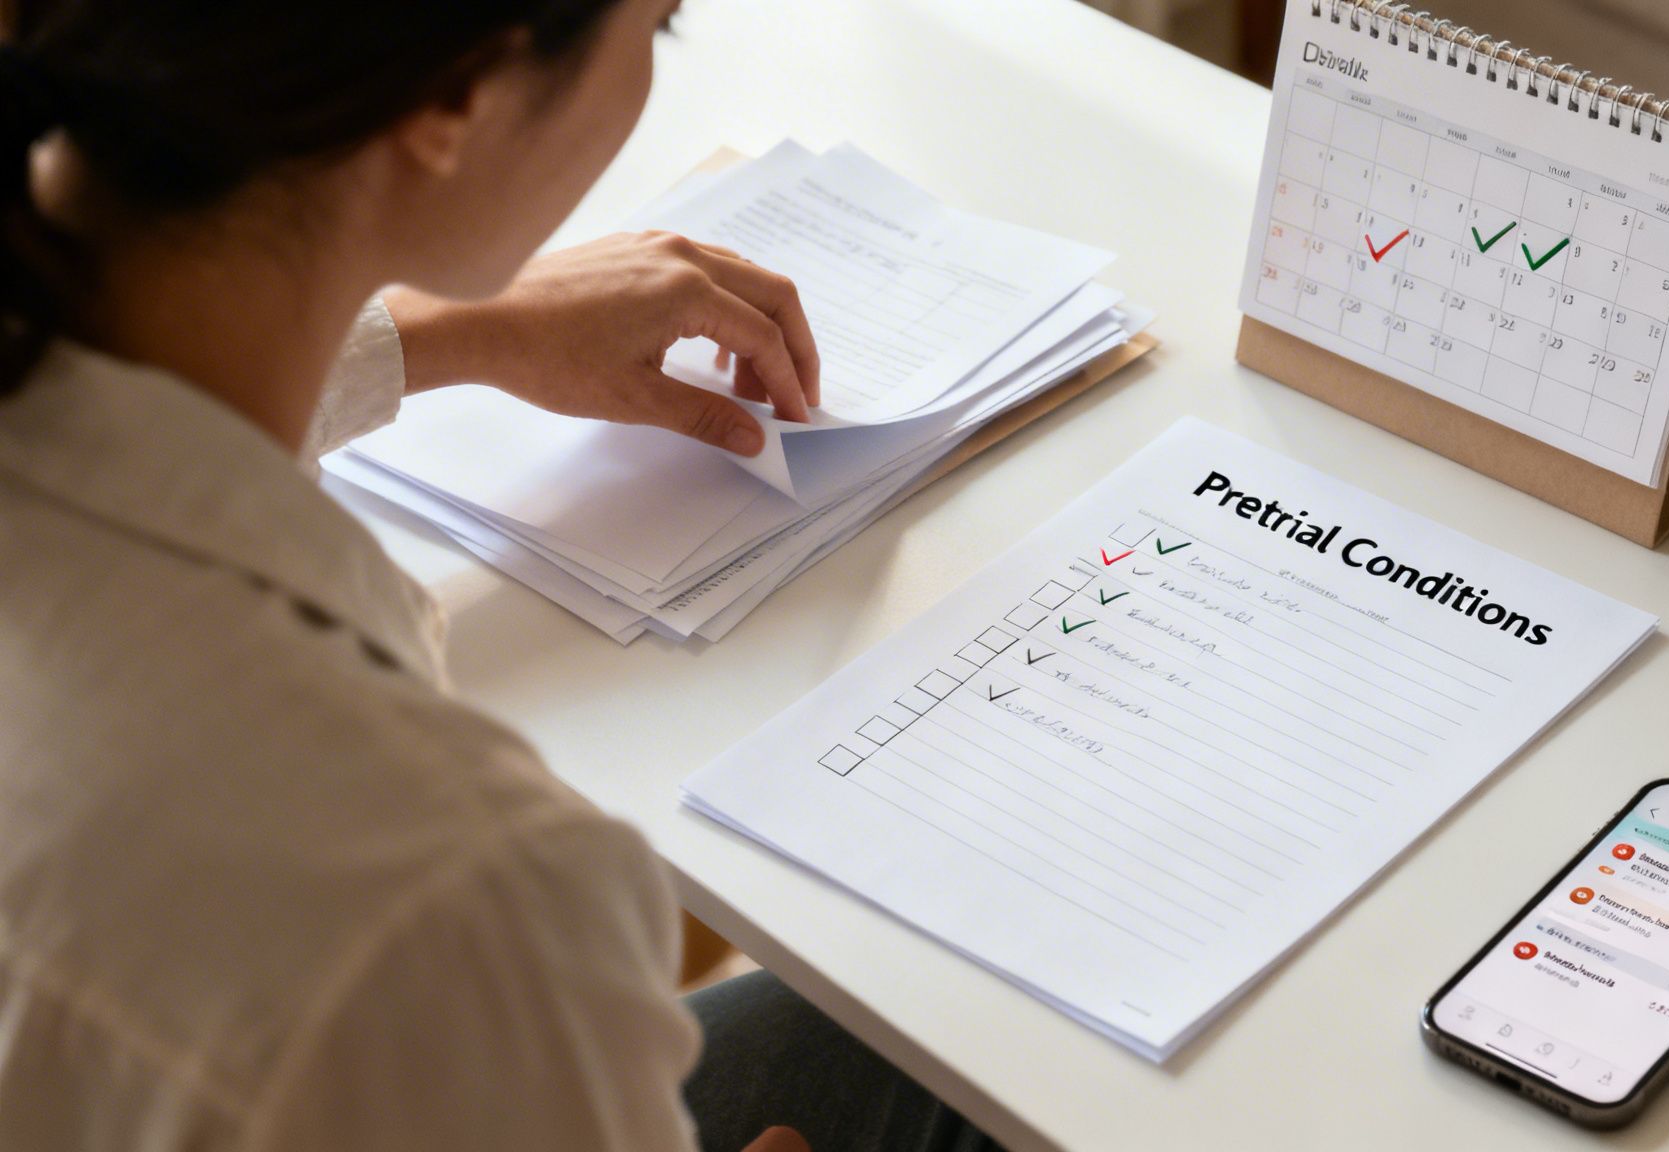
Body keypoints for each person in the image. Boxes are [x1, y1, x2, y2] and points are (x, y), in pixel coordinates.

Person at [0, 1, 999, 1149]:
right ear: (457, 96)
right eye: (660, 24)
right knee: (962, 1055)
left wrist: (443, 328)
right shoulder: (461, 903)